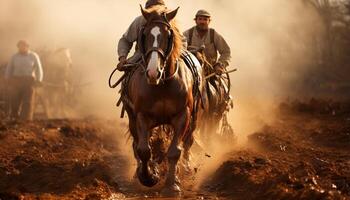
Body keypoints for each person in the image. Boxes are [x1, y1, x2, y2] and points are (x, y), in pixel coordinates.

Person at [117, 0, 187, 71]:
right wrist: (122, 58)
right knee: (127, 72)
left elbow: (182, 41)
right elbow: (126, 40)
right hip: (142, 54)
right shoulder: (140, 21)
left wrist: (178, 54)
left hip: (170, 54)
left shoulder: (171, 21)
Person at [183, 9, 231, 75]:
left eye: (205, 19)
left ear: (209, 21)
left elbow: (226, 52)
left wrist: (220, 65)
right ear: (196, 21)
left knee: (219, 85)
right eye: (200, 19)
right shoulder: (187, 34)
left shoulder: (213, 35)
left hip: (211, 73)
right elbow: (180, 51)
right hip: (191, 72)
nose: (202, 22)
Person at [5, 40, 43, 120]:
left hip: (28, 81)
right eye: (20, 46)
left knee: (27, 102)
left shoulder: (33, 56)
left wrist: (39, 79)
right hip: (16, 80)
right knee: (15, 100)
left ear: (27, 47)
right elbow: (9, 68)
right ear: (18, 47)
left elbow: (39, 68)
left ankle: (25, 119)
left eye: (24, 46)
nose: (22, 48)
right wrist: (7, 78)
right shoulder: (14, 56)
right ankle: (14, 117)